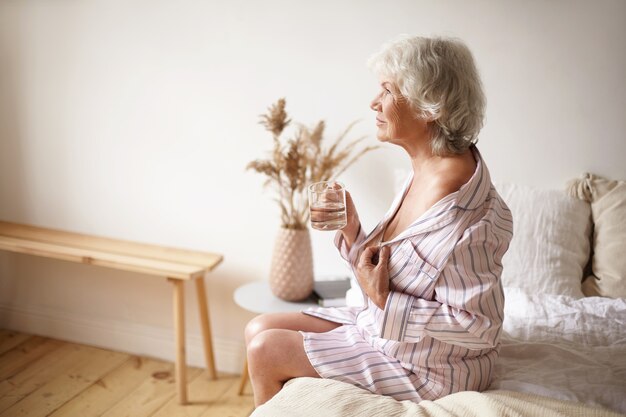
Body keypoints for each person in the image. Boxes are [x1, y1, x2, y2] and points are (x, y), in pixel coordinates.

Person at [244, 35, 514, 407]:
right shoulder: (425, 170)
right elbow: (392, 268)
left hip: (430, 367)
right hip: (384, 331)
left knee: (266, 349)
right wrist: (352, 229)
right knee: (258, 326)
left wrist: (384, 298)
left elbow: (479, 326)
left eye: (387, 90)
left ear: (429, 106)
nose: (374, 102)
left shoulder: (464, 209)